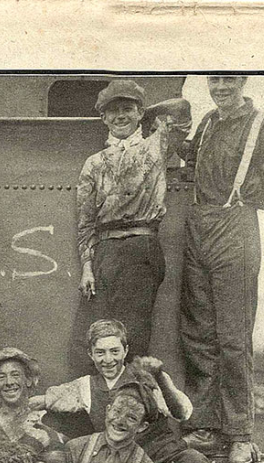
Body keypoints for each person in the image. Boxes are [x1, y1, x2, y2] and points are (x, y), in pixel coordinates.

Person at [33, 318, 221, 463]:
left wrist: (161, 378)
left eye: (114, 351)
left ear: (126, 350)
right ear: (91, 355)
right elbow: (47, 400)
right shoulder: (84, 386)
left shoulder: (147, 377)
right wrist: (29, 413)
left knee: (194, 461)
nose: (108, 359)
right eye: (100, 353)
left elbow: (182, 412)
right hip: (123, 459)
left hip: (159, 452)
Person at [179, 75, 264, 463]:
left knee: (233, 336)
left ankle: (240, 433)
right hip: (198, 226)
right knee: (198, 332)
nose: (220, 87)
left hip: (235, 228)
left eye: (228, 80)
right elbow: (188, 166)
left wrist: (244, 191)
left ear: (241, 81)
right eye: (215, 80)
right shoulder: (207, 122)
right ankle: (204, 424)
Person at [77, 80, 191, 352]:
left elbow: (183, 112)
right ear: (103, 118)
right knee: (100, 334)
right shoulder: (94, 163)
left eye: (127, 109)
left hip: (141, 248)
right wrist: (87, 267)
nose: (120, 116)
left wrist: (145, 110)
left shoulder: (157, 144)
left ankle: (132, 394)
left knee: (133, 335)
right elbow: (85, 222)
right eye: (112, 111)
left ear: (140, 112)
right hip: (105, 252)